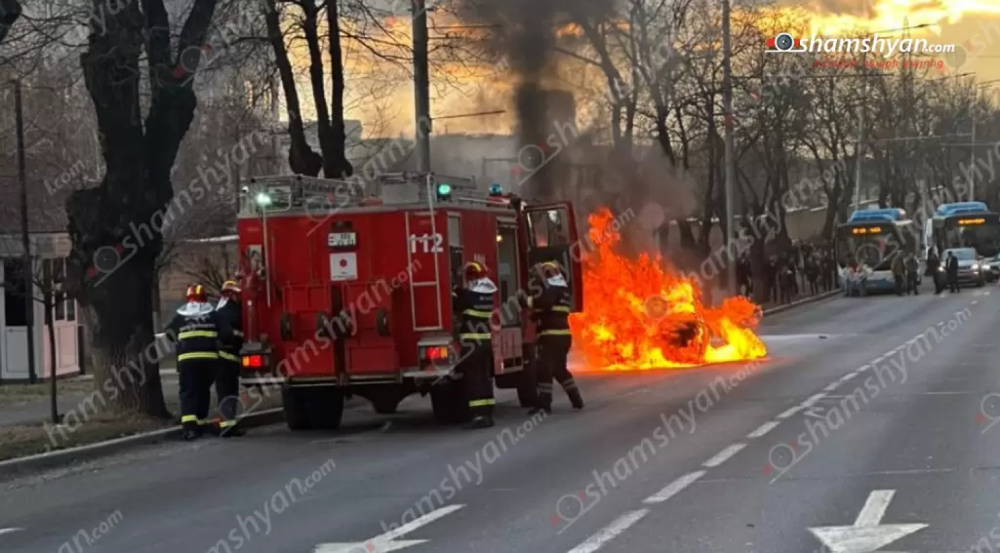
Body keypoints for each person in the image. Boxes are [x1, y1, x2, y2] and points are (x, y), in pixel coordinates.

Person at [160, 284, 232, 441]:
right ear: (204, 298)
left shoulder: (180, 316)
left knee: (188, 392)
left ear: (188, 298)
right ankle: (201, 422)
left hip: (187, 360)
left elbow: (169, 334)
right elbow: (227, 333)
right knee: (203, 390)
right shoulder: (213, 314)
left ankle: (190, 428)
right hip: (209, 360)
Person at [523, 261, 584, 415]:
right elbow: (552, 310)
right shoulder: (563, 289)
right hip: (563, 335)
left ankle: (544, 405)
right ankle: (576, 399)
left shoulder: (551, 289)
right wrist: (536, 315)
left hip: (550, 336)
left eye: (544, 274)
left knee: (544, 369)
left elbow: (544, 302)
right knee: (559, 369)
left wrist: (526, 301)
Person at [452, 261, 497, 429]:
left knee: (474, 378)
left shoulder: (468, 296)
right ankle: (488, 413)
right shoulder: (487, 295)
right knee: (485, 378)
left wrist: (453, 288)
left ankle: (479, 416)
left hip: (471, 344)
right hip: (485, 343)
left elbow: (458, 303)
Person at [214, 280, 245, 437]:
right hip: (228, 359)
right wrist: (240, 338)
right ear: (232, 295)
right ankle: (227, 427)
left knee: (225, 393)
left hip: (221, 359)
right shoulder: (233, 311)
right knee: (229, 393)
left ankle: (228, 425)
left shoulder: (219, 311)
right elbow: (231, 335)